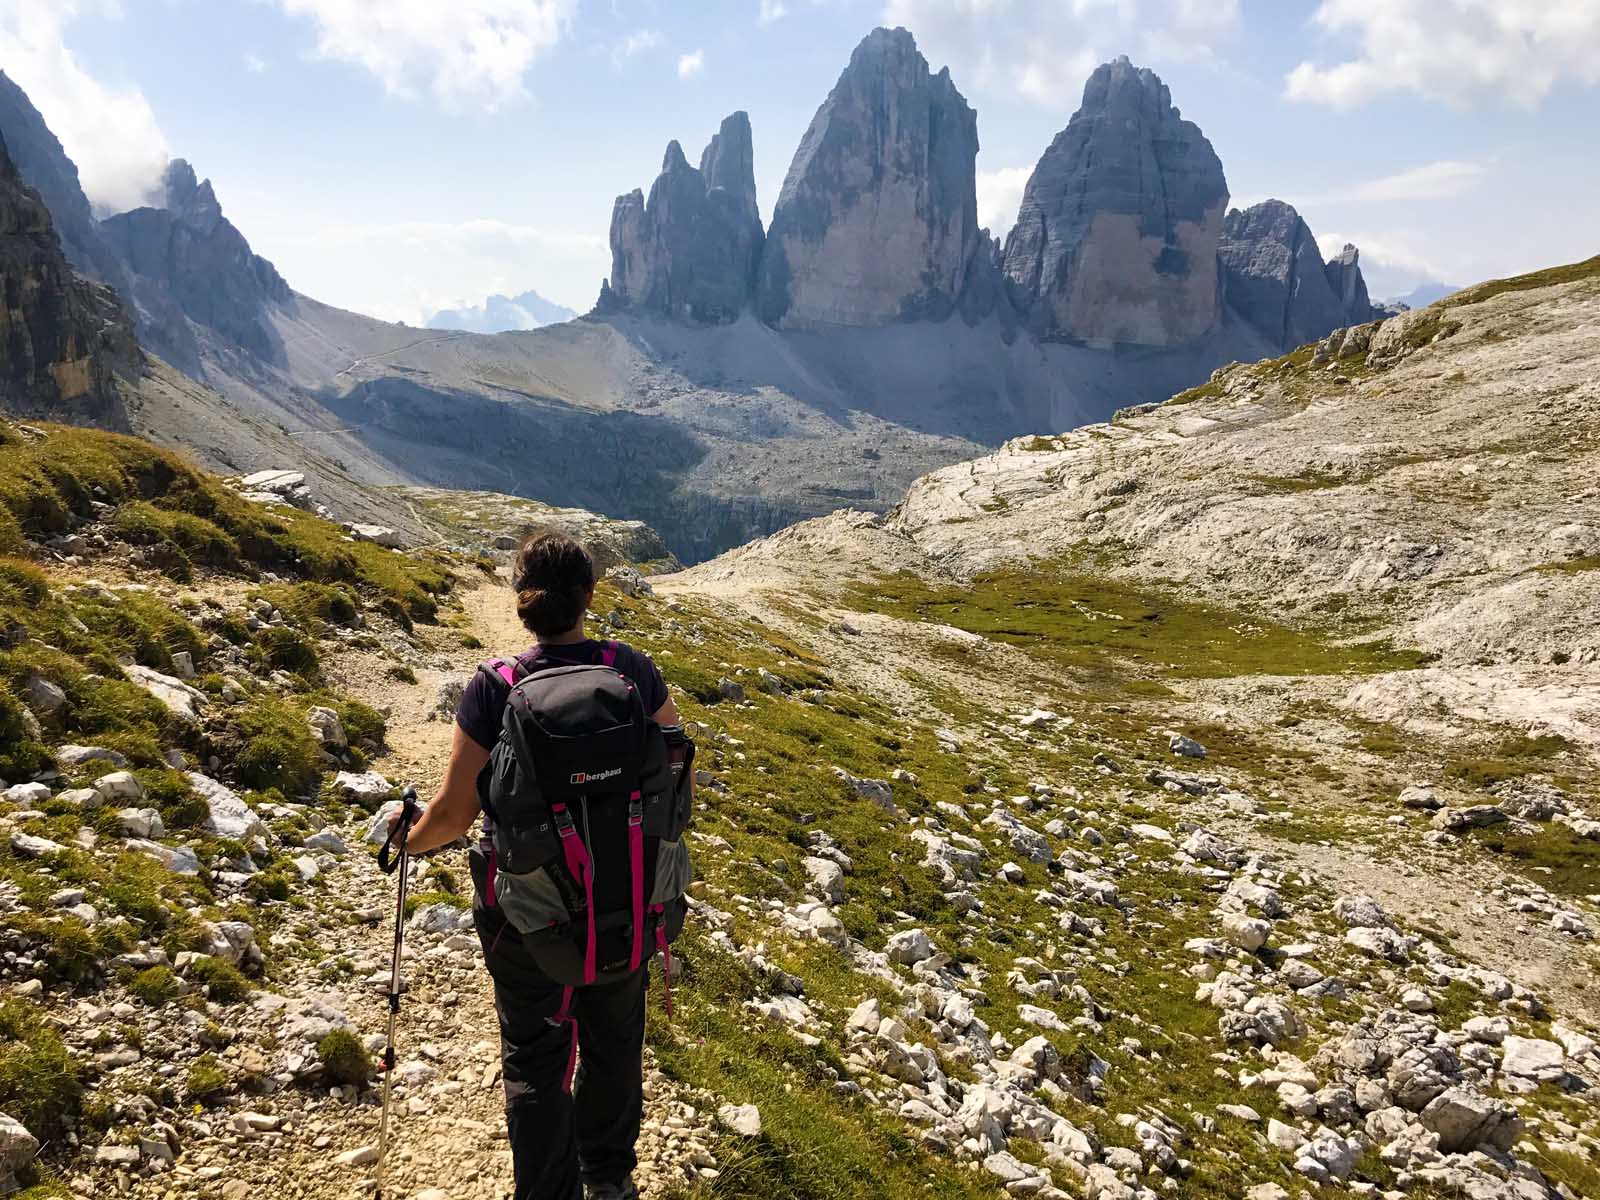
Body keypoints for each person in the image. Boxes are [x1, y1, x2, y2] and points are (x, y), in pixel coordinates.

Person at [394, 532, 680, 1200]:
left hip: (525, 916)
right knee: (614, 1039)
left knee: (537, 1056)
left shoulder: (496, 687)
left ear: (521, 601)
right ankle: (608, 1177)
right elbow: (678, 761)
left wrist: (407, 839)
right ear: (588, 594)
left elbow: (454, 817)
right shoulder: (631, 669)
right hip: (624, 896)